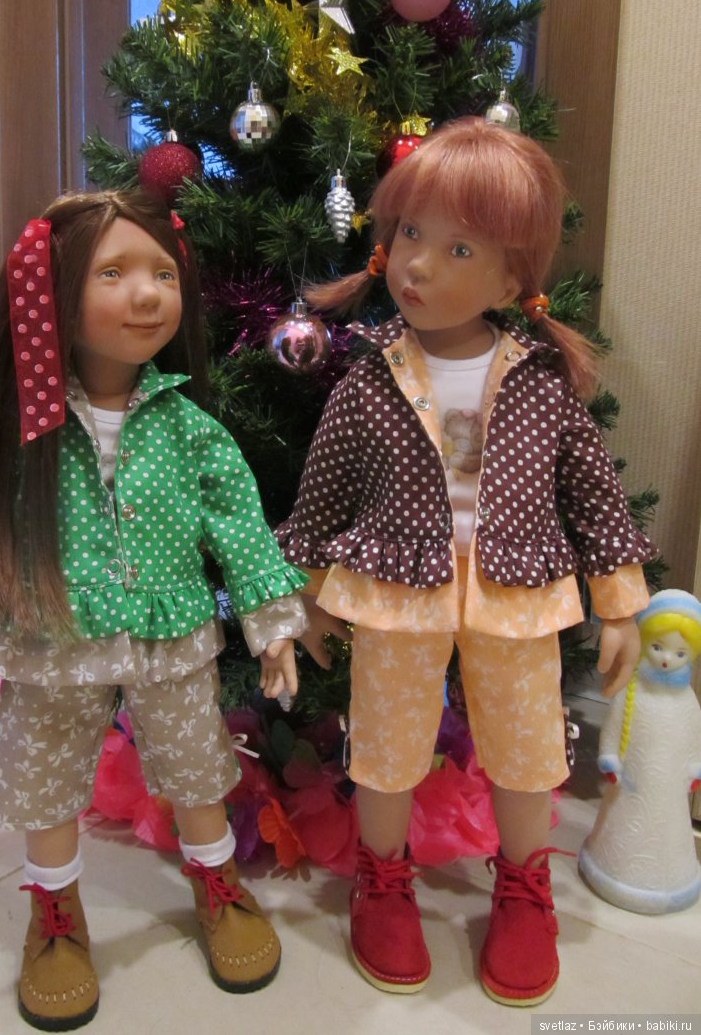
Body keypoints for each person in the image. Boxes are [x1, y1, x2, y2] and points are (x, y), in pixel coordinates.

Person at [0, 190, 307, 1030]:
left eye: (164, 273)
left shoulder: (190, 428)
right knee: (43, 775)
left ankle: (217, 881)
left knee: (196, 763)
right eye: (113, 272)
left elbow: (240, 524)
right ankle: (55, 915)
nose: (148, 294)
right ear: (49, 293)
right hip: (53, 637)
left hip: (172, 636)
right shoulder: (24, 430)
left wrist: (272, 623)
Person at [277, 117, 656, 1006]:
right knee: (385, 747)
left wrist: (619, 600)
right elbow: (323, 489)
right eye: (410, 232)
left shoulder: (541, 382)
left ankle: (524, 883)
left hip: (517, 593)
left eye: (457, 248)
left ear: (513, 278)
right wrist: (310, 594)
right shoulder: (369, 377)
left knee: (527, 751)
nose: (417, 264)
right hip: (396, 593)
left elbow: (594, 493)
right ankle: (382, 876)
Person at [579, 589, 701, 913]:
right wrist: (609, 757)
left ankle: (669, 879)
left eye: (679, 653)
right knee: (624, 817)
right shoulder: (631, 693)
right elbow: (614, 726)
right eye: (658, 647)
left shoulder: (688, 702)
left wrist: (695, 766)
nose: (666, 659)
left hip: (670, 790)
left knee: (667, 825)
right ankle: (611, 868)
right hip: (631, 784)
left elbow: (694, 735)